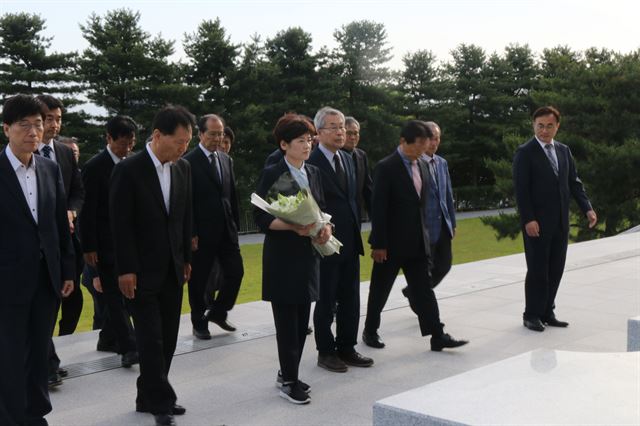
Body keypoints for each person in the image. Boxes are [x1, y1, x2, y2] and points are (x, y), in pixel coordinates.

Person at [110, 105, 194, 426]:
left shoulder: (183, 168)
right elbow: (120, 224)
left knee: (169, 338)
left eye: (188, 142)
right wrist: (125, 269)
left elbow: (185, 218)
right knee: (150, 339)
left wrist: (186, 258)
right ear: (158, 135)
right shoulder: (129, 170)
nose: (183, 148)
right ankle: (161, 402)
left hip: (173, 268)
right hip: (140, 272)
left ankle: (147, 396)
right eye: (179, 141)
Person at [0, 94, 74, 426]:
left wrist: (67, 270)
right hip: (7, 281)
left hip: (46, 277)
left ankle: (35, 414)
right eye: (24, 125)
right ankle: (11, 416)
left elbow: (59, 224)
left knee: (40, 350)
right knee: (11, 354)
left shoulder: (50, 168)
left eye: (39, 124)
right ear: (6, 129)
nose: (34, 132)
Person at [362, 120, 468, 352]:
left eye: (425, 144)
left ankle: (437, 335)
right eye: (417, 145)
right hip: (390, 244)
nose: (422, 149)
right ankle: (370, 330)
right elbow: (378, 208)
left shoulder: (422, 165)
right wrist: (379, 243)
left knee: (424, 291)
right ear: (403, 142)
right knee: (380, 290)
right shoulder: (386, 167)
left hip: (418, 243)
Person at [253, 113, 332, 404]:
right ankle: (289, 380)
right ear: (284, 144)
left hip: (309, 257)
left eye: (310, 140)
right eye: (301, 141)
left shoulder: (313, 173)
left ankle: (289, 373)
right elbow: (261, 217)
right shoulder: (274, 172)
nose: (307, 145)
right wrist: (295, 226)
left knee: (301, 322)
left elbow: (322, 209)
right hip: (283, 259)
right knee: (287, 323)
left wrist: (325, 228)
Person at [513, 106, 597, 332]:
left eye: (550, 126)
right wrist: (529, 219)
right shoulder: (525, 152)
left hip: (560, 221)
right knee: (538, 269)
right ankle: (531, 314)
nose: (544, 130)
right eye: (540, 125)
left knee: (556, 268)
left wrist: (587, 208)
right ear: (534, 125)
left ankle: (547, 311)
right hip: (536, 224)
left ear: (557, 126)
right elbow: (522, 190)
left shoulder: (563, 150)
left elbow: (573, 183)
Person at [308, 107, 373, 373]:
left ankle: (347, 346)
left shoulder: (347, 159)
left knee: (350, 298)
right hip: (326, 242)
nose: (340, 132)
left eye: (342, 127)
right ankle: (326, 351)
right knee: (326, 300)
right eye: (334, 127)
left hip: (350, 240)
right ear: (319, 132)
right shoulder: (311, 162)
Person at [80, 115, 138, 366]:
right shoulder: (95, 167)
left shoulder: (135, 164)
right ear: (109, 138)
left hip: (132, 242)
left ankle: (107, 337)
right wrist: (89, 247)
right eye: (122, 143)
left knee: (131, 294)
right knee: (114, 297)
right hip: (104, 243)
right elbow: (88, 211)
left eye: (131, 143)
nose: (127, 148)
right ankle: (129, 347)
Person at [36, 94, 85, 387]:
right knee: (43, 306)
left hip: (65, 243)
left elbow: (78, 191)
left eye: (58, 119)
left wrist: (71, 211)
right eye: (49, 119)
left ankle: (49, 360)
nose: (54, 125)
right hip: (35, 247)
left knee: (60, 301)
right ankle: (47, 365)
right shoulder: (23, 154)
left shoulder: (65, 153)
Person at [184, 114, 243, 339]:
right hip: (201, 233)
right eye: (213, 134)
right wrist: (191, 233)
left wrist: (235, 224)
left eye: (221, 134)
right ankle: (198, 321)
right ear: (200, 134)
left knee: (236, 272)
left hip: (226, 229)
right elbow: (186, 202)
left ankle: (218, 312)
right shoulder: (189, 162)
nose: (218, 138)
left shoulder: (226, 160)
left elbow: (231, 195)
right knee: (198, 280)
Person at [402, 121, 456, 299]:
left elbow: (447, 195)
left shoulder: (441, 163)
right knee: (424, 270)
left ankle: (414, 291)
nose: (435, 142)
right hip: (424, 227)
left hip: (443, 226)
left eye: (438, 138)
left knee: (445, 265)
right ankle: (420, 299)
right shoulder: (413, 164)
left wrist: (452, 223)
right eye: (431, 138)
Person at [341, 116, 372, 220]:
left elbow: (367, 188)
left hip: (357, 214)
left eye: (356, 133)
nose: (353, 137)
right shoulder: (335, 156)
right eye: (349, 133)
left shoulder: (361, 155)